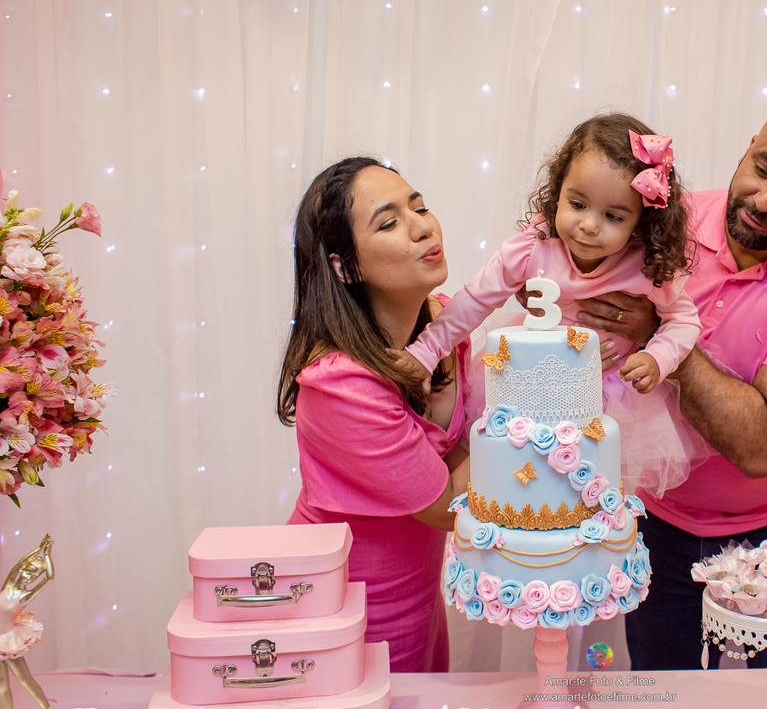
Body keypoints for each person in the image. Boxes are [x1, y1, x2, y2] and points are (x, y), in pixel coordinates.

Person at [573, 101, 767, 670]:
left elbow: (760, 447)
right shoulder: (668, 221)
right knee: (665, 696)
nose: (766, 202)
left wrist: (657, 332)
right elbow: (572, 263)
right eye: (763, 169)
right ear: (746, 148)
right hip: (660, 517)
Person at [397, 113, 705, 497]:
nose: (589, 225)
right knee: (517, 483)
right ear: (558, 193)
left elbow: (684, 320)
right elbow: (475, 301)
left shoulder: (647, 267)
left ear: (641, 223)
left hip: (608, 397)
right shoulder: (531, 249)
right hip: (530, 385)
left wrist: (658, 356)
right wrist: (426, 351)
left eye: (612, 216)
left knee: (584, 497)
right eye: (577, 204)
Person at [276, 157, 471, 673]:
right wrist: (528, 417)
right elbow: (449, 508)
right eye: (389, 222)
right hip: (344, 606)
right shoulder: (339, 384)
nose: (423, 226)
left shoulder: (449, 327)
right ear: (345, 266)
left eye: (420, 207)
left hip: (420, 594)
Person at [0, 534, 52, 709]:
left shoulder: (25, 596)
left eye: (34, 575)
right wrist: (37, 549)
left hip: (7, 640)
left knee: (24, 679)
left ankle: (46, 707)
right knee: (1, 685)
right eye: (28, 570)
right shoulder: (8, 586)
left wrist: (46, 556)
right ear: (23, 569)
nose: (29, 576)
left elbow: (50, 578)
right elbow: (18, 565)